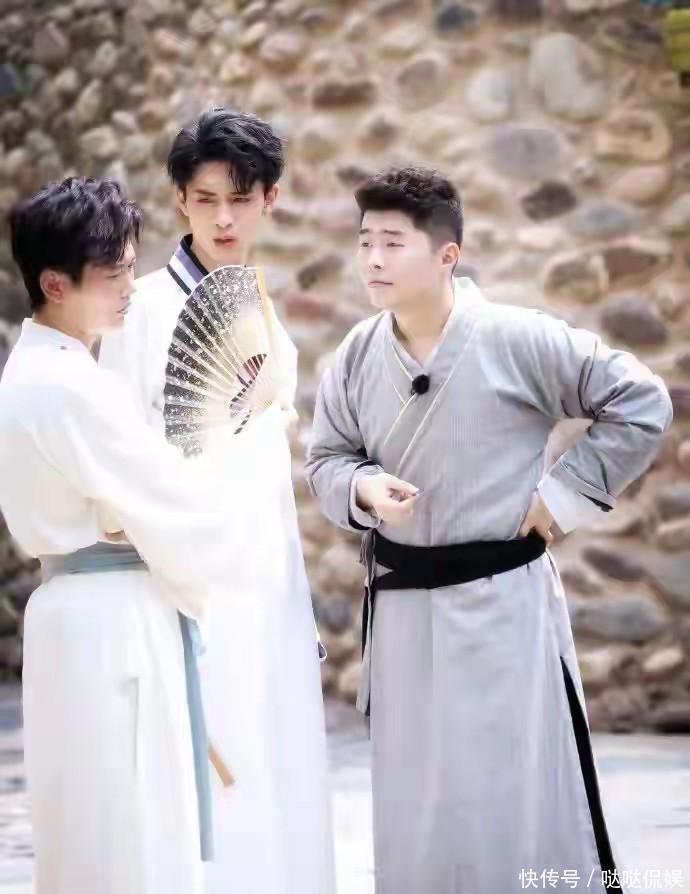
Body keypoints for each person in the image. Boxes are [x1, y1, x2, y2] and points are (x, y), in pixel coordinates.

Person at [305, 166, 673, 894]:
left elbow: (641, 401)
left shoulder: (517, 338)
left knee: (510, 793)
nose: (372, 258)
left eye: (393, 243)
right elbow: (325, 460)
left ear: (448, 254)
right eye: (365, 241)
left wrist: (563, 496)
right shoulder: (354, 355)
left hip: (501, 604)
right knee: (417, 805)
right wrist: (361, 488)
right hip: (403, 611)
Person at [99, 108, 335, 894]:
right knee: (206, 784)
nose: (223, 219)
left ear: (270, 199)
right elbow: (123, 461)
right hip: (189, 581)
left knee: (279, 763)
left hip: (269, 573)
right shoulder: (141, 312)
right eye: (206, 200)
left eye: (240, 199)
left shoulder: (261, 305)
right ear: (179, 201)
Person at [1, 177, 249, 894]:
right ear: (54, 284)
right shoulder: (70, 387)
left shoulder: (37, 370)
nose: (129, 289)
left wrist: (132, 511)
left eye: (131, 268)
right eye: (112, 275)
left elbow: (147, 499)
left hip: (73, 615)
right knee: (133, 830)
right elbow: (179, 503)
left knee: (89, 829)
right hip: (115, 623)